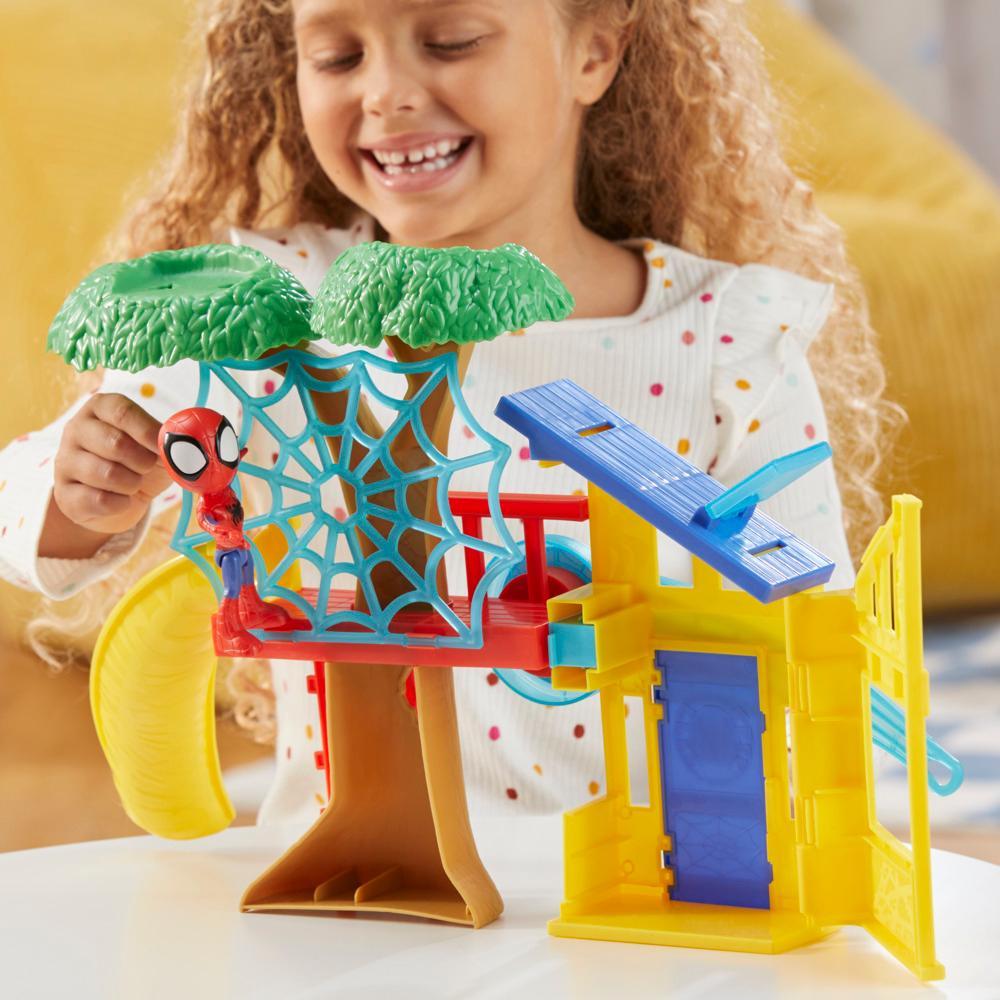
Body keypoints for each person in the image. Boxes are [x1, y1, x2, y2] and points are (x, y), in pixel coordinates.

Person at [0, 0, 893, 824]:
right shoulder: (271, 303)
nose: (386, 93)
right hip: (342, 894)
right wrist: (87, 489)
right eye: (337, 56)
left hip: (632, 887)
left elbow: (811, 628)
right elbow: (23, 504)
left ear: (593, 51)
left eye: (451, 41)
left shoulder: (726, 340)